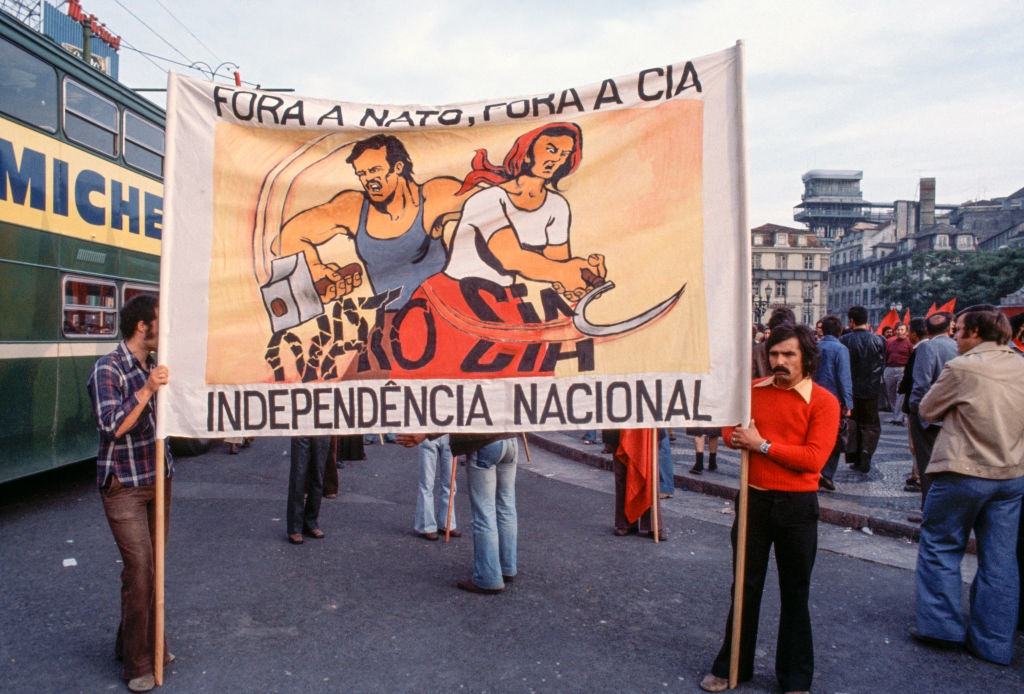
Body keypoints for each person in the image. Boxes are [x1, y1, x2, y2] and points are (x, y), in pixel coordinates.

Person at [700, 323, 839, 694]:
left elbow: (813, 460)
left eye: (788, 354)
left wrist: (762, 445)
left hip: (797, 507)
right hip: (754, 500)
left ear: (807, 358)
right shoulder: (752, 393)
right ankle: (732, 666)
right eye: (774, 354)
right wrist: (738, 437)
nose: (779, 361)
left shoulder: (824, 401)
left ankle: (795, 676)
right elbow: (730, 431)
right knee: (744, 586)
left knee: (796, 591)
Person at [912, 306, 1024, 665]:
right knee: (1001, 560)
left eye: (959, 330)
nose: (955, 336)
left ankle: (941, 628)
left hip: (962, 469)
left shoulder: (963, 368)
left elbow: (927, 410)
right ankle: (994, 642)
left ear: (975, 332)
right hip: (1011, 474)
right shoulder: (1021, 364)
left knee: (941, 546)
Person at [87, 295, 173, 693]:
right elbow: (112, 426)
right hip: (123, 483)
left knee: (153, 568)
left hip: (158, 477)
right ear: (143, 326)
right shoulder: (109, 368)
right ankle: (138, 663)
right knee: (139, 569)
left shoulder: (153, 365)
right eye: (159, 321)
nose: (163, 328)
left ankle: (139, 642)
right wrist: (147, 391)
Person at [278, 134, 472, 310]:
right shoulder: (353, 208)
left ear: (398, 167)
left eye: (375, 170)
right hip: (393, 322)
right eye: (362, 174)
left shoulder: (433, 196)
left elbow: (494, 201)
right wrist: (314, 267)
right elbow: (287, 237)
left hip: (444, 316)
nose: (369, 180)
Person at [398, 433, 519, 593]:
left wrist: (427, 434)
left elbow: (456, 409)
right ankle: (507, 567)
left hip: (484, 442)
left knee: (484, 513)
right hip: (510, 439)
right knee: (506, 507)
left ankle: (488, 578)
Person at [908, 312, 958, 505]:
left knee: (928, 463)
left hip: (929, 416)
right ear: (950, 328)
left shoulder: (927, 347)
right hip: (952, 415)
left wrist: (916, 410)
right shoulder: (957, 346)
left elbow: (921, 384)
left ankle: (929, 506)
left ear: (927, 330)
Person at [839, 305, 885, 473]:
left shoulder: (845, 340)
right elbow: (882, 364)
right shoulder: (879, 340)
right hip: (871, 390)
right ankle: (866, 452)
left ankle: (855, 456)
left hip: (851, 390)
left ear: (851, 321)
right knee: (870, 425)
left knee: (853, 424)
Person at [813, 315, 853, 491]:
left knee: (814, 435)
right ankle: (827, 474)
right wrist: (848, 403)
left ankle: (815, 471)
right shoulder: (840, 349)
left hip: (812, 395)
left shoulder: (814, 347)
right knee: (833, 438)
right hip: (833, 399)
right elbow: (844, 377)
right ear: (840, 330)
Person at [607, 429, 667, 540]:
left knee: (650, 474)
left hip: (648, 429)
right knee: (622, 474)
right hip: (618, 428)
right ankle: (625, 522)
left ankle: (653, 525)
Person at [897, 318, 929, 493]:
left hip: (918, 405)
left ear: (915, 334)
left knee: (916, 444)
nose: (907, 335)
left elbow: (914, 381)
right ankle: (916, 474)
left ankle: (918, 477)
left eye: (909, 331)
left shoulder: (921, 350)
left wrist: (913, 404)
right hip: (927, 405)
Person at [413, 434, 459, 541]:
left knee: (450, 482)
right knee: (427, 483)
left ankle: (447, 523)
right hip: (427, 433)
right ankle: (427, 526)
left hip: (450, 434)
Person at [286, 436, 330, 544]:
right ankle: (295, 527)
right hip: (302, 427)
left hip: (322, 429)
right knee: (298, 475)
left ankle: (311, 522)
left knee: (318, 474)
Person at [883, 323, 912, 424]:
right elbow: (885, 355)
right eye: (898, 330)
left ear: (906, 332)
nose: (899, 332)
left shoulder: (909, 343)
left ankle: (898, 417)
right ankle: (896, 414)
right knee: (890, 393)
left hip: (902, 369)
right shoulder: (889, 341)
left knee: (900, 394)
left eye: (902, 330)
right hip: (890, 368)